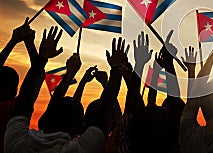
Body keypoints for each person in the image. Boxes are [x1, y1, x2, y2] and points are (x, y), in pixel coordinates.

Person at [4, 28, 127, 153]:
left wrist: (44, 59)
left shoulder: (16, 142)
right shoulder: (77, 150)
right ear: (79, 128)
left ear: (45, 117)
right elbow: (103, 116)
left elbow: (24, 100)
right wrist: (117, 69)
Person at [0, 18, 35, 153]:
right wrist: (31, 46)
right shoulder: (11, 111)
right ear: (15, 90)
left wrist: (13, 40)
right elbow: (33, 82)